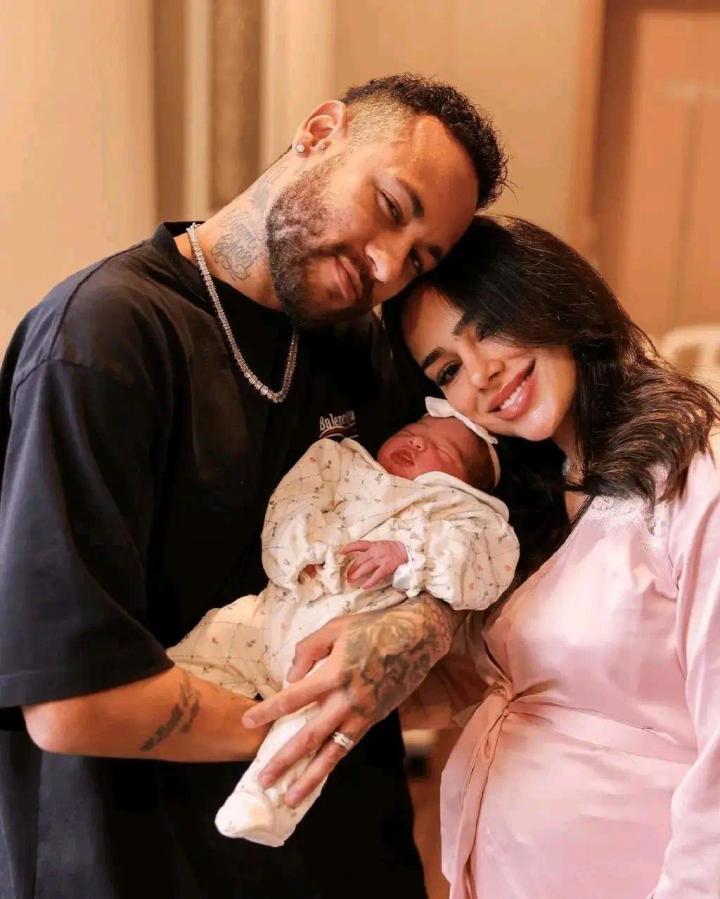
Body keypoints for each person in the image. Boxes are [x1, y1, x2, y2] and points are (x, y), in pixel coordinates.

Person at [0, 75, 506, 898]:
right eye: (388, 206)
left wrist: (419, 620)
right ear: (319, 132)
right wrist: (325, 716)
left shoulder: (363, 350)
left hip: (350, 858)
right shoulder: (104, 339)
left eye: (419, 258)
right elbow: (70, 701)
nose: (386, 264)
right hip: (142, 861)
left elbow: (456, 530)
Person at [370, 215, 719, 898]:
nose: (482, 374)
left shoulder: (693, 478)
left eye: (490, 326)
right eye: (448, 368)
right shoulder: (537, 492)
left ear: (554, 297)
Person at [169, 406, 519, 848]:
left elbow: (484, 571)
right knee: (218, 635)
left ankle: (266, 803)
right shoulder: (341, 461)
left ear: (464, 486)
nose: (417, 441)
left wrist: (408, 554)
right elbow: (292, 501)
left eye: (442, 450)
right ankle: (157, 704)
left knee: (313, 724)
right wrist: (302, 554)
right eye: (413, 429)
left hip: (342, 645)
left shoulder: (463, 515)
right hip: (278, 609)